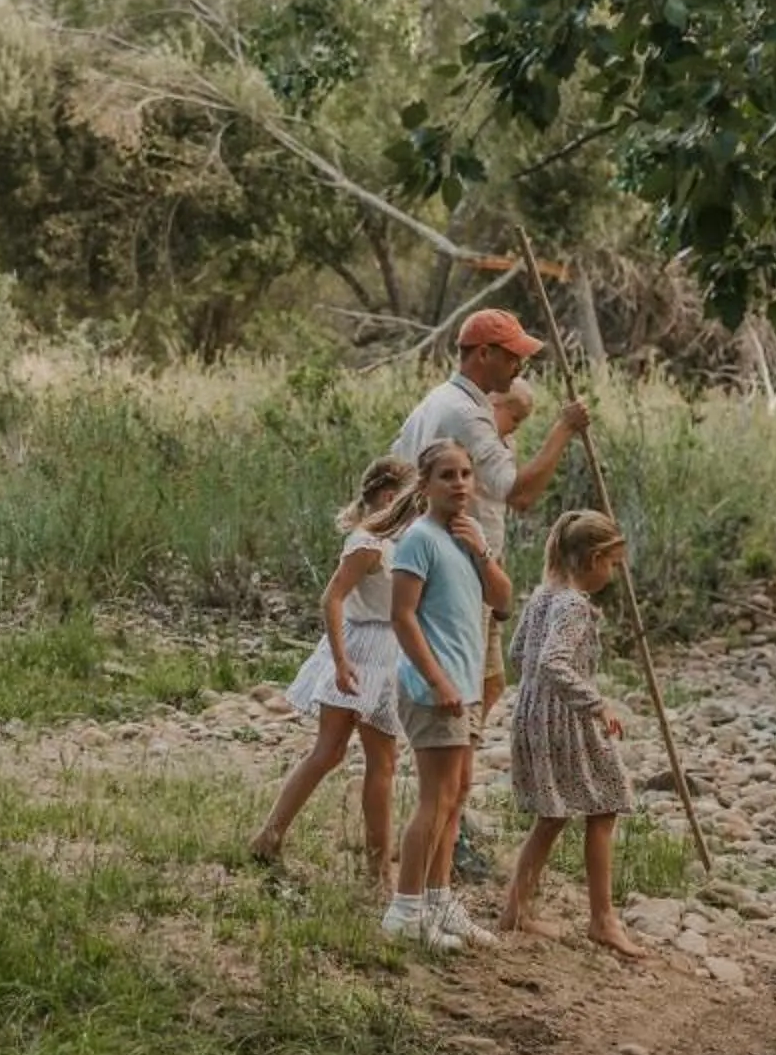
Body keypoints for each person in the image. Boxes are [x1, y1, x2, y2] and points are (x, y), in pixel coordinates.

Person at [391, 311, 589, 729]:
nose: (520, 367)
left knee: (491, 681)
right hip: (460, 569)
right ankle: (450, 776)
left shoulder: (437, 400)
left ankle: (459, 772)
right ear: (484, 354)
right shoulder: (465, 413)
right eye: (513, 356)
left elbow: (396, 468)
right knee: (464, 692)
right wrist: (564, 430)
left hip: (476, 566)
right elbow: (520, 493)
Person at [248, 455, 427, 881]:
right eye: (411, 500)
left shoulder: (393, 540)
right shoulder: (369, 543)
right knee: (361, 758)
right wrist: (342, 660)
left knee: (343, 754)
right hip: (364, 649)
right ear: (389, 497)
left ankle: (271, 836)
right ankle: (375, 868)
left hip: (380, 647)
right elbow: (332, 598)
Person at [500, 510, 649, 957]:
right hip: (564, 717)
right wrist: (595, 702)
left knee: (556, 813)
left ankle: (516, 909)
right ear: (592, 559)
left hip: (536, 713)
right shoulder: (573, 605)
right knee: (605, 803)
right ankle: (602, 919)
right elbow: (551, 661)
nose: (613, 572)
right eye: (612, 563)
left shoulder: (545, 595)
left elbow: (517, 651)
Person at [382, 438, 512, 949]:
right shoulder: (419, 539)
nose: (459, 484)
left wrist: (481, 551)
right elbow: (402, 616)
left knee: (455, 797)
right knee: (435, 799)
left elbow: (502, 601)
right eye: (447, 476)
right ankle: (405, 910)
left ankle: (439, 902)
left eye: (465, 474)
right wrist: (437, 679)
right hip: (433, 688)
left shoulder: (467, 535)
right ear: (426, 483)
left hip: (466, 684)